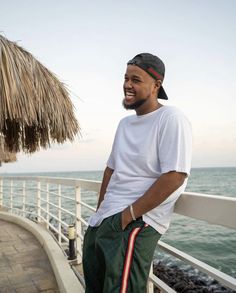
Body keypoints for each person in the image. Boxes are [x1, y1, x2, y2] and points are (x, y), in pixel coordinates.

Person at [82, 53, 192, 293]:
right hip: (105, 219)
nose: (127, 85)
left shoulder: (171, 118)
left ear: (156, 85)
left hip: (137, 221)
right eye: (125, 78)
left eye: (136, 79)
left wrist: (128, 215)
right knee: (94, 284)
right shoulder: (124, 124)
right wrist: (101, 210)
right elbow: (111, 169)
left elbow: (175, 175)